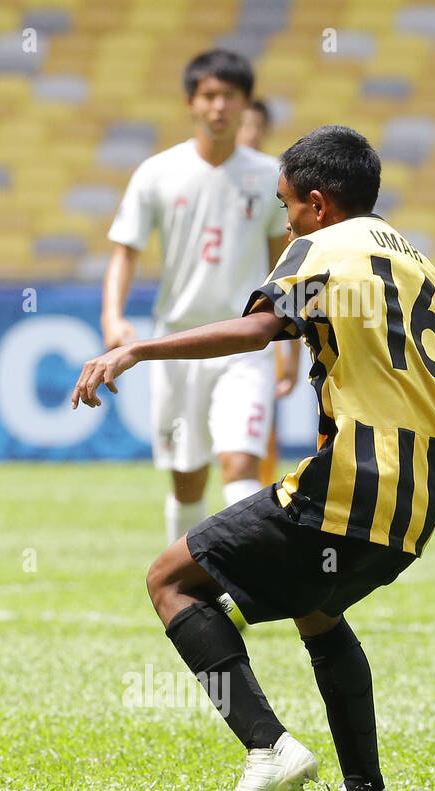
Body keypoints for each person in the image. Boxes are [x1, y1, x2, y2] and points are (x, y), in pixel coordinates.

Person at [72, 125, 435, 791]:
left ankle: (267, 748)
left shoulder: (321, 251)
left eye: (285, 208)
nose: (282, 224)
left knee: (170, 580)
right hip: (416, 508)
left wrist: (137, 350)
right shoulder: (426, 270)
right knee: (317, 604)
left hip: (352, 479)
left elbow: (256, 333)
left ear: (317, 204)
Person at [103, 50, 292, 546]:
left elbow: (283, 266)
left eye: (230, 95)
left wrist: (291, 343)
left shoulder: (271, 177)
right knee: (187, 481)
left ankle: (242, 587)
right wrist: (113, 316)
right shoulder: (157, 173)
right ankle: (187, 592)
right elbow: (125, 251)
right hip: (178, 345)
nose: (219, 106)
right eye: (209, 95)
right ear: (191, 101)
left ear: (246, 103)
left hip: (245, 344)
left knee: (240, 464)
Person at [237, 97, 303, 487]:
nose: (248, 133)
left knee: (252, 445)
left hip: (257, 327)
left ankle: (249, 510)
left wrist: (290, 347)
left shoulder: (274, 190)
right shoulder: (198, 180)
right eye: (243, 124)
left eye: (255, 126)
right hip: (208, 325)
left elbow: (284, 272)